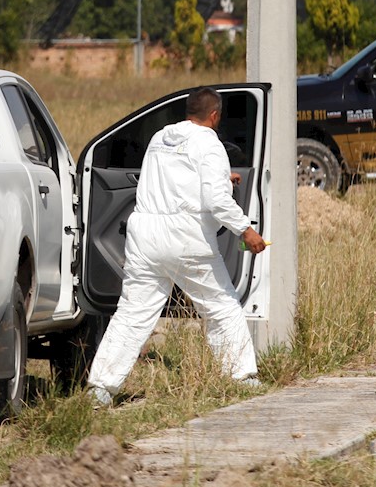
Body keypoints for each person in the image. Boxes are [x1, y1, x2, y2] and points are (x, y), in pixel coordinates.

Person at [85, 87, 268, 407]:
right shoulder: (209, 143)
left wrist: (226, 178)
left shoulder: (160, 137)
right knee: (222, 308)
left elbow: (178, 177)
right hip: (186, 237)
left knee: (131, 315)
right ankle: (242, 380)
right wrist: (245, 230)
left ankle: (99, 390)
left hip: (145, 236)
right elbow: (215, 200)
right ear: (215, 115)